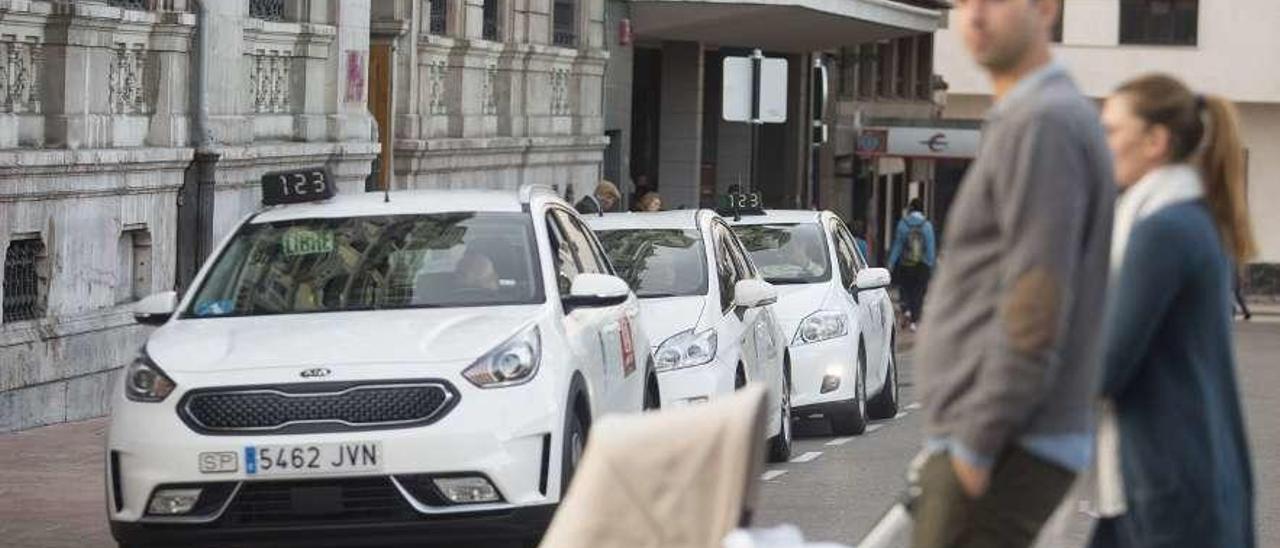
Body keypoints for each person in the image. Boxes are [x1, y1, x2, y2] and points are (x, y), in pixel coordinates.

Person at [910, 0, 1115, 546]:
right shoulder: (1031, 115)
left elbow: (1036, 296)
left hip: (1006, 446)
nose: (973, 16)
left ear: (1046, 7)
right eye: (964, 1)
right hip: (1005, 441)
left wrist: (977, 441)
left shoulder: (1043, 122)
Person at [1088, 74, 1255, 547]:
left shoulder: (1162, 230)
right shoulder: (1193, 217)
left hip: (1169, 486)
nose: (1104, 144)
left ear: (1156, 141)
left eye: (1112, 131)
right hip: (1187, 474)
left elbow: (1106, 367)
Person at [887, 199, 936, 331]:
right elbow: (930, 249)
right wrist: (930, 265)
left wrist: (891, 262)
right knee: (918, 292)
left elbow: (897, 245)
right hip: (922, 265)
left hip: (906, 264)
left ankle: (906, 309)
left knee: (905, 289)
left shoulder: (903, 224)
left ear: (910, 209)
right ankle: (914, 321)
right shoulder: (927, 226)